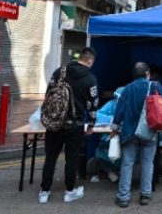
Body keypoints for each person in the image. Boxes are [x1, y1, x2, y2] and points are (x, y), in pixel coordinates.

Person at [39, 47, 99, 204]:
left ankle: (44, 192)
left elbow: (48, 95)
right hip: (75, 125)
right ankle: (69, 192)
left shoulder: (60, 71)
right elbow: (93, 105)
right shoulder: (90, 78)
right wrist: (91, 124)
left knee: (50, 158)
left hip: (54, 123)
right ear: (90, 60)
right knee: (71, 159)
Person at [111, 62, 162, 208]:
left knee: (127, 164)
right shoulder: (155, 86)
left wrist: (114, 129)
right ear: (147, 73)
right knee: (148, 163)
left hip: (129, 133)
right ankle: (145, 195)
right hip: (149, 131)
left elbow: (119, 112)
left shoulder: (127, 89)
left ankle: (123, 197)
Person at [90, 87, 125, 183]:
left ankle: (118, 173)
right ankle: (111, 171)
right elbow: (97, 115)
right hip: (110, 137)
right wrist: (112, 119)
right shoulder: (112, 104)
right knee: (102, 150)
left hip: (126, 139)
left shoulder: (131, 105)